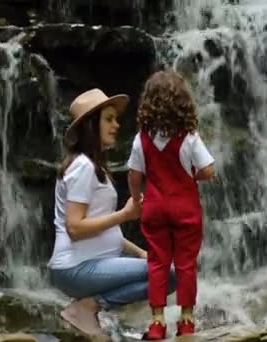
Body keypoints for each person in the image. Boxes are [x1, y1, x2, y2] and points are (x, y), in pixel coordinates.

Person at [48, 88, 176, 338]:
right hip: (76, 268)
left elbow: (100, 226)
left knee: (167, 275)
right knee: (167, 274)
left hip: (87, 266)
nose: (116, 125)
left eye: (115, 119)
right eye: (108, 119)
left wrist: (139, 252)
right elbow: (75, 228)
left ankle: (88, 307)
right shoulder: (83, 167)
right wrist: (124, 215)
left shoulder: (92, 167)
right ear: (90, 126)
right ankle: (88, 307)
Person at [127, 71, 216, 339]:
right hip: (185, 208)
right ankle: (186, 319)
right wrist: (192, 175)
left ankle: (157, 322)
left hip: (155, 207)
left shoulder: (141, 138)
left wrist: (135, 199)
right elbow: (209, 169)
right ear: (183, 104)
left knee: (157, 263)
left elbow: (134, 174)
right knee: (186, 263)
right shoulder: (189, 137)